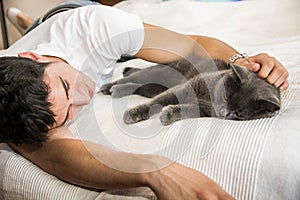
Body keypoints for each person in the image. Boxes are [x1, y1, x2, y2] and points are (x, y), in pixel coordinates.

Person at [0, 2, 288, 200]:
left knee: (77, 25)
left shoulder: (97, 27)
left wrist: (245, 67)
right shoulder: (15, 109)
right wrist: (156, 171)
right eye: (68, 114)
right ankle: (30, 26)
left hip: (71, 13)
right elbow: (57, 156)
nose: (85, 97)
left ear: (34, 58)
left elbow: (193, 45)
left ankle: (35, 24)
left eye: (66, 85)